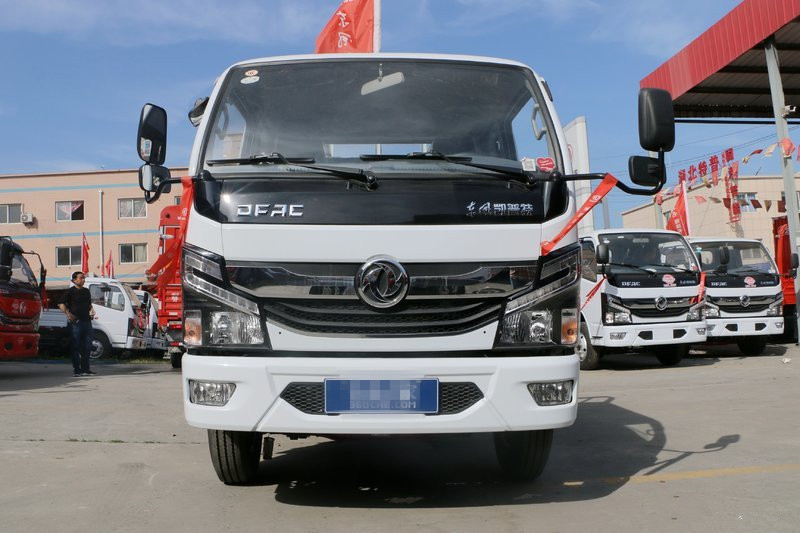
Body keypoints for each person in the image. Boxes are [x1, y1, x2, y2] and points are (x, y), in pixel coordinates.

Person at [58, 271, 97, 377]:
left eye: (84, 278)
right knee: (76, 346)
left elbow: (89, 304)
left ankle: (86, 369)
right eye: (81, 278)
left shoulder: (86, 291)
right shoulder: (70, 291)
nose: (83, 280)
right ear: (74, 280)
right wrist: (68, 314)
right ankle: (77, 370)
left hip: (87, 322)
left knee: (87, 346)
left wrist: (92, 310)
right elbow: (61, 303)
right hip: (76, 323)